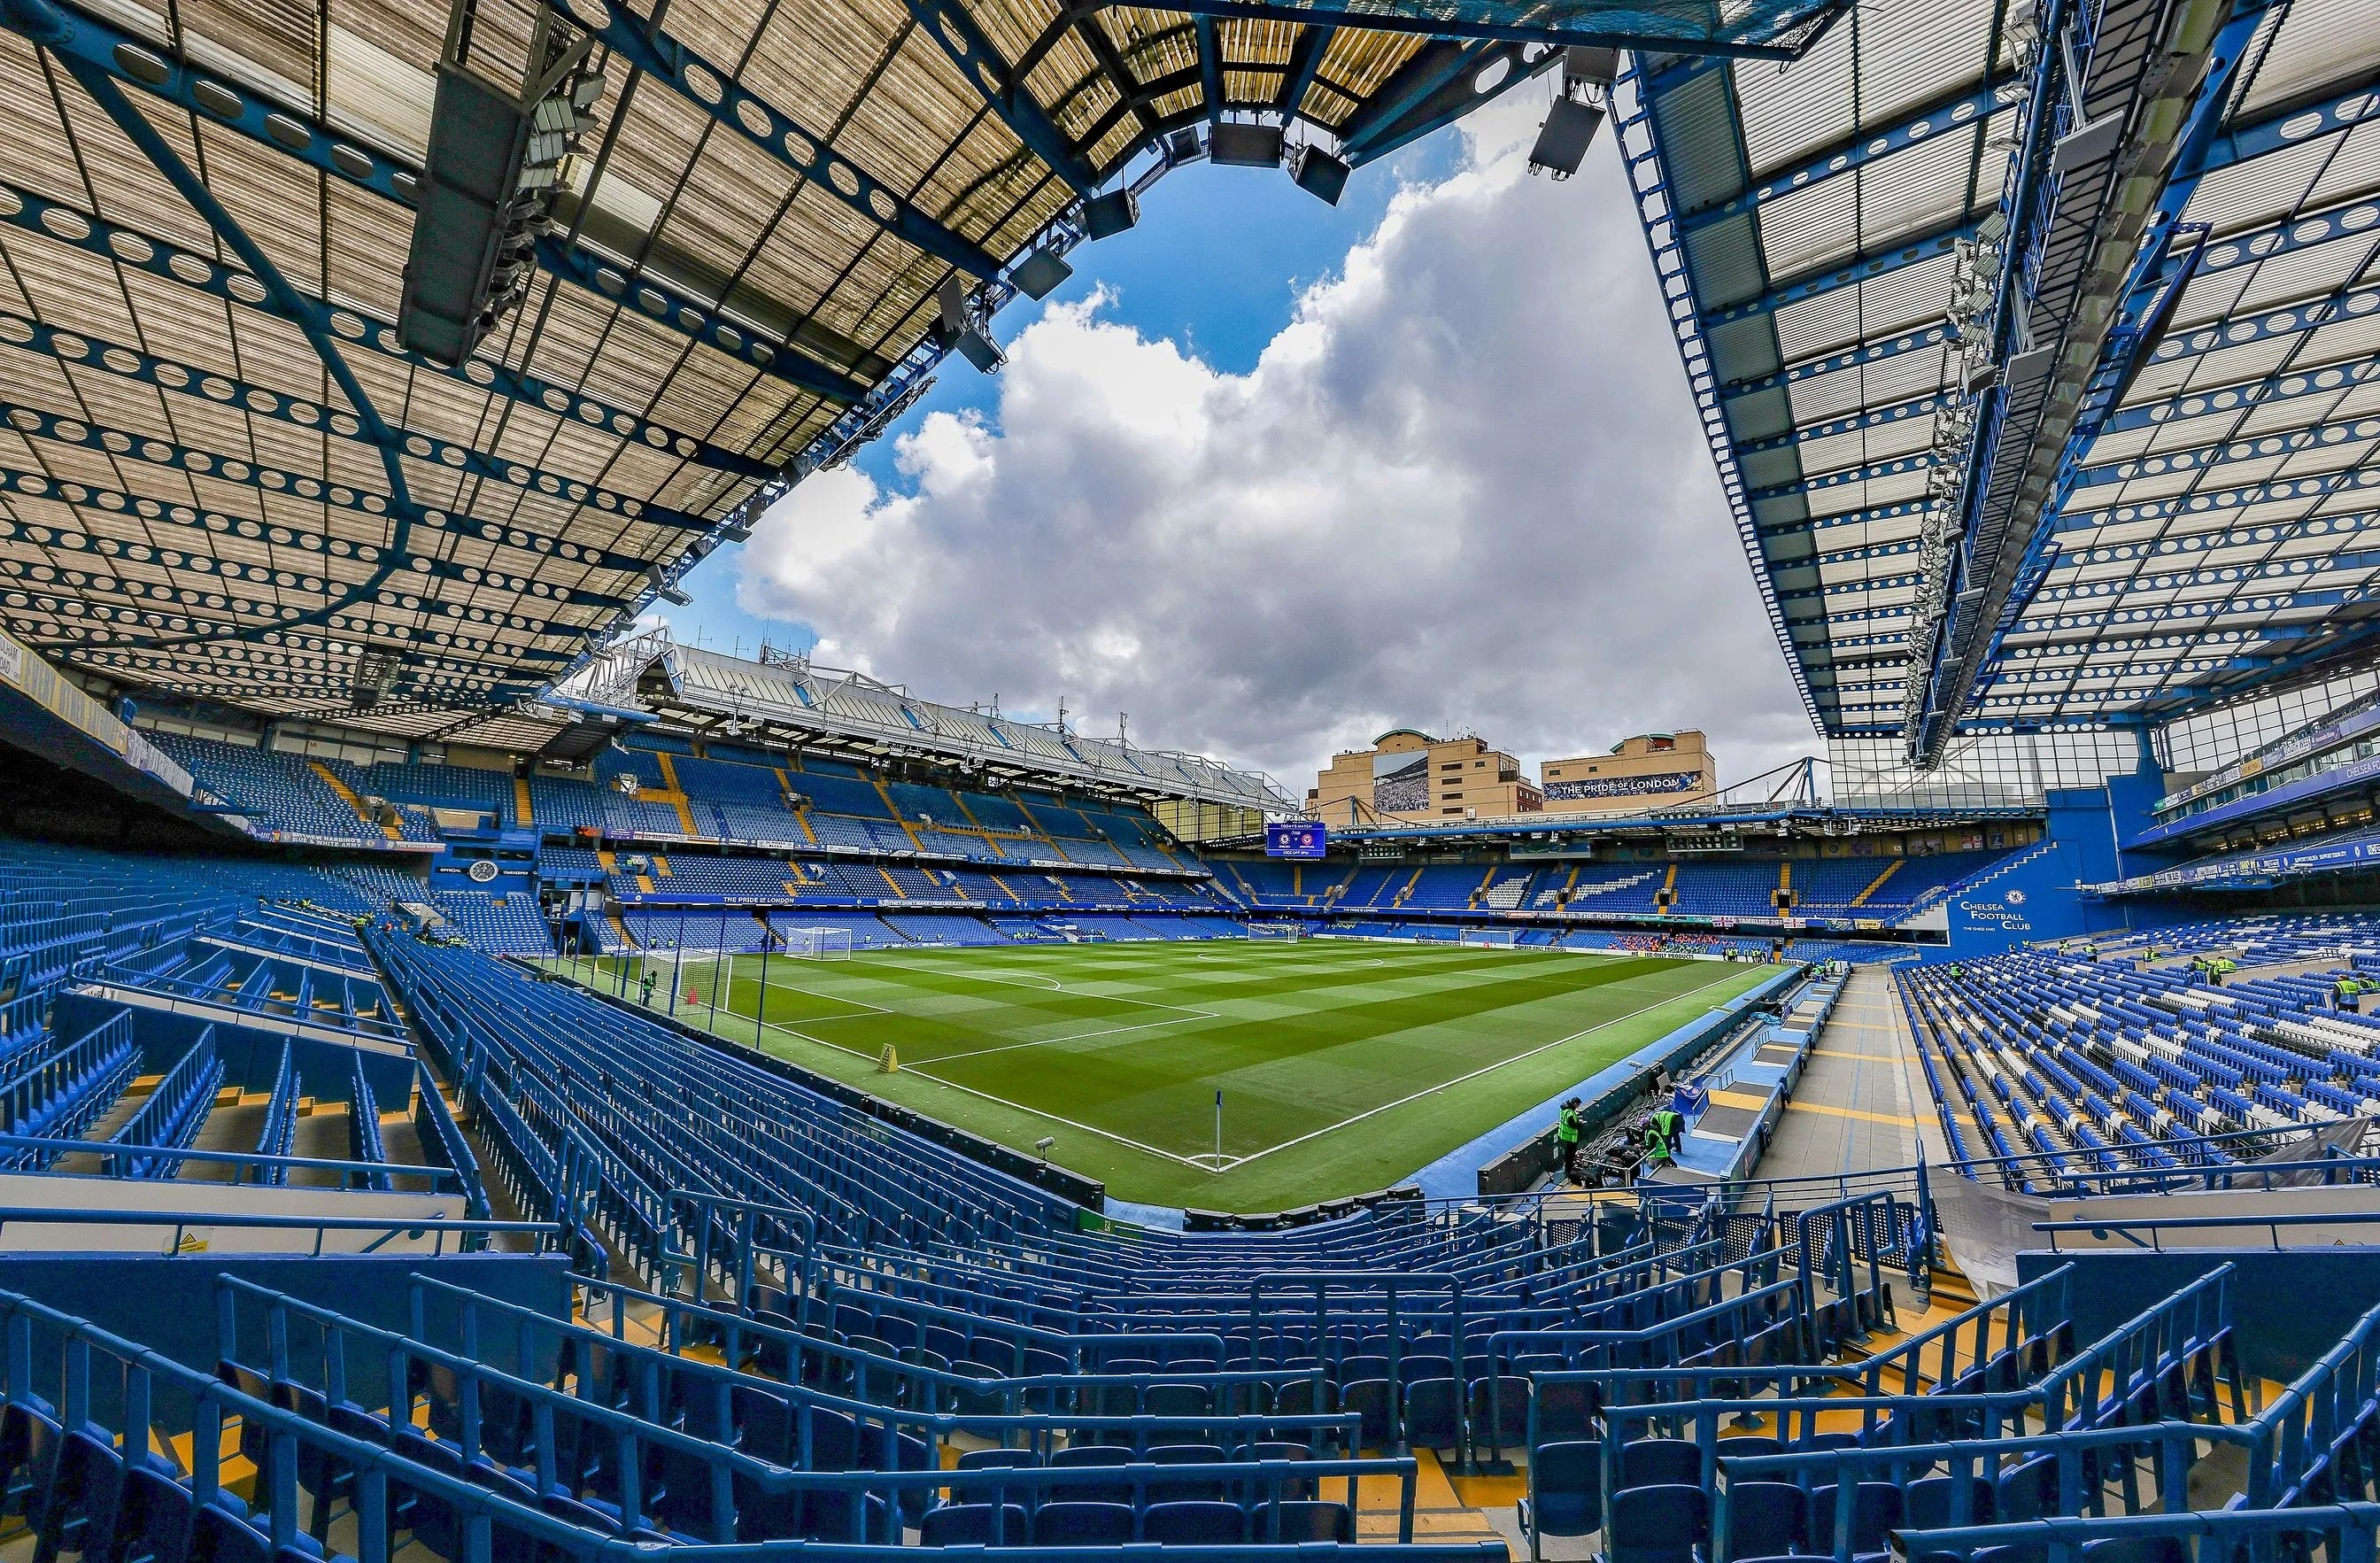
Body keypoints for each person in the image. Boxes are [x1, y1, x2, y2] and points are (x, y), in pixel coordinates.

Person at [1555, 1097, 1582, 1183]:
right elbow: (1573, 1125)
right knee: (1570, 1154)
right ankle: (1568, 1170)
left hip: (1564, 1135)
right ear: (1575, 1104)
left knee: (1568, 1153)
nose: (1577, 1107)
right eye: (1578, 1105)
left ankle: (1568, 1167)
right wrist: (1580, 1123)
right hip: (1570, 1136)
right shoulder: (1570, 1112)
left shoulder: (1565, 1109)